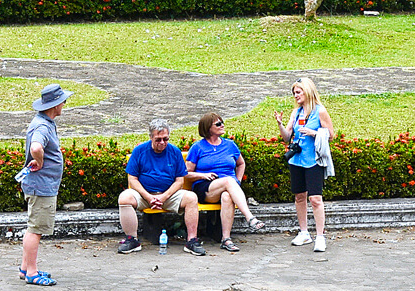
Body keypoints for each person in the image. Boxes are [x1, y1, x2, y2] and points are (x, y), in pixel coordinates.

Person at [116, 118, 206, 256]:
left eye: (165, 139)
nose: (162, 143)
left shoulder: (174, 152)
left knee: (191, 198)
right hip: (144, 194)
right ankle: (132, 239)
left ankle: (192, 240)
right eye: (158, 139)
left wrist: (164, 197)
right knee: (124, 198)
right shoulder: (139, 151)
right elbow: (132, 179)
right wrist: (148, 197)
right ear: (151, 137)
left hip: (168, 194)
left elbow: (179, 181)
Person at [185, 113, 264, 252]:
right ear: (208, 128)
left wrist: (237, 182)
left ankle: (226, 239)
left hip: (228, 186)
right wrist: (203, 175)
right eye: (218, 124)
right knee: (228, 181)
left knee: (227, 196)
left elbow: (241, 164)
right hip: (206, 187)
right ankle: (250, 217)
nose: (222, 126)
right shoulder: (198, 147)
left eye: (222, 122)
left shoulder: (230, 145)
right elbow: (187, 173)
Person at [19, 83, 72, 286]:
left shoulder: (45, 122)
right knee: (36, 229)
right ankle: (32, 272)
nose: (64, 105)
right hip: (41, 186)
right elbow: (36, 146)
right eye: (63, 101)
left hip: (42, 185)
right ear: (55, 105)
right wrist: (39, 161)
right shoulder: (42, 126)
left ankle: (26, 267)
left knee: (34, 226)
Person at [275, 77, 335, 252]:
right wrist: (280, 124)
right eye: (294, 93)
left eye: (298, 92)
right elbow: (287, 137)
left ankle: (320, 236)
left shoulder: (320, 111)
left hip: (313, 160)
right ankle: (303, 232)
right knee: (299, 197)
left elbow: (331, 135)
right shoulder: (296, 113)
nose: (296, 96)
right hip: (297, 160)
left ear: (308, 92)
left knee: (315, 199)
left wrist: (314, 132)